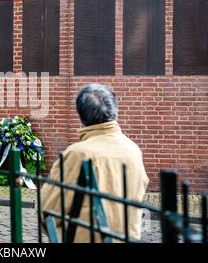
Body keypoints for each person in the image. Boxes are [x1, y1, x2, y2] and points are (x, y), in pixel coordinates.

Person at [40, 83, 149, 242]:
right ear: (114, 111)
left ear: (82, 116)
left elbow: (49, 210)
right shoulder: (133, 150)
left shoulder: (77, 153)